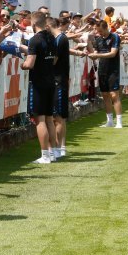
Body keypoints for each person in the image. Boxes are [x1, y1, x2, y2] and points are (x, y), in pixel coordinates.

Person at [22, 12, 58, 163]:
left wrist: (22, 64)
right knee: (49, 119)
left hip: (38, 83)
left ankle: (44, 156)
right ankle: (53, 152)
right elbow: (55, 60)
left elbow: (29, 64)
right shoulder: (52, 38)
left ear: (33, 24)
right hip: (51, 81)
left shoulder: (34, 40)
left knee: (40, 120)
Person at [48, 17, 85, 158]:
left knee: (57, 116)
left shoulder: (59, 39)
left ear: (48, 26)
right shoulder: (61, 38)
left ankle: (58, 149)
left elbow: (53, 61)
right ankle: (60, 148)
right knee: (59, 116)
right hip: (60, 80)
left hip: (58, 81)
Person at [88, 20, 123, 128]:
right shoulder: (98, 39)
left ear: (106, 28)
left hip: (113, 70)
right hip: (102, 70)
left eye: (101, 31)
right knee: (105, 95)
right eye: (98, 31)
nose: (99, 33)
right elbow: (97, 52)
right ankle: (109, 121)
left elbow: (113, 54)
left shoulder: (114, 37)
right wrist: (91, 54)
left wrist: (98, 55)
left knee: (114, 95)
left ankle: (119, 122)